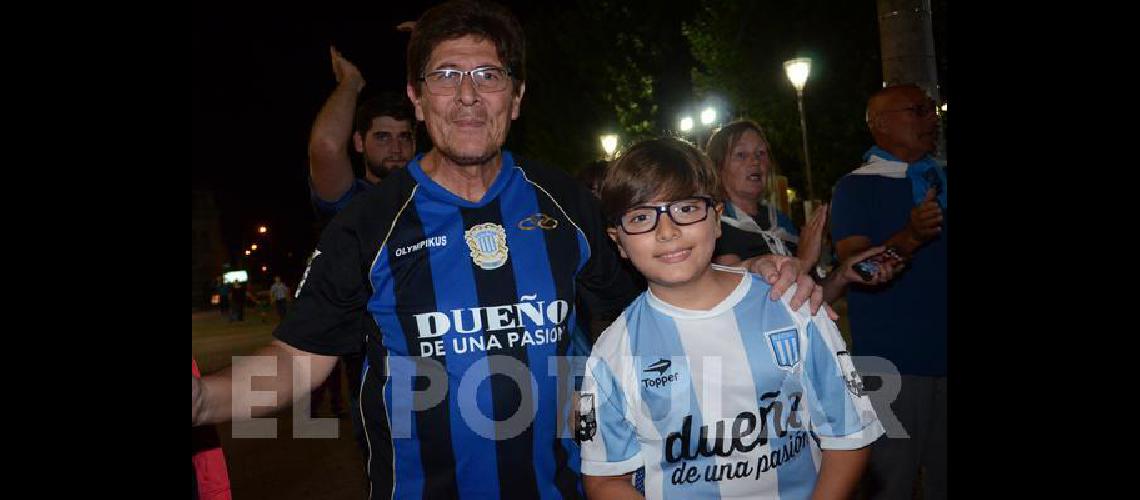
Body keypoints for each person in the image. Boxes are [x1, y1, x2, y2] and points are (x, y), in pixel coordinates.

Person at [193, 2, 819, 498]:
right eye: (445, 75)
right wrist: (205, 399)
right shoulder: (367, 222)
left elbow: (653, 297)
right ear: (417, 97)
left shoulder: (565, 201)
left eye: (488, 75)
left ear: (515, 98)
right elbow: (298, 361)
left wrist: (750, 273)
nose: (468, 95)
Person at [579, 137, 883, 499]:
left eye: (687, 209)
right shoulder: (612, 351)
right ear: (618, 242)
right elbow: (606, 479)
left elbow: (849, 435)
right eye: (642, 217)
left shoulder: (791, 305)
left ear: (717, 219)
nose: (667, 231)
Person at [830, 83, 946, 500]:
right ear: (880, 124)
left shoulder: (941, 178)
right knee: (890, 485)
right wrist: (912, 236)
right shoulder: (856, 188)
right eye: (918, 110)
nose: (932, 119)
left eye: (933, 109)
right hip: (891, 368)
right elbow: (858, 266)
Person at [707, 120, 898, 304]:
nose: (755, 161)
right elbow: (741, 303)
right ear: (717, 167)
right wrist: (804, 261)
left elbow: (810, 301)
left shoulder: (779, 222)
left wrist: (842, 275)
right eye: (741, 154)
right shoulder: (714, 226)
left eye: (761, 153)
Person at [308, 46, 417, 227]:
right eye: (383, 137)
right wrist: (351, 82)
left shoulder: (435, 191)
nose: (396, 148)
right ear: (359, 142)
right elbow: (325, 146)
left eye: (404, 137)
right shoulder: (351, 202)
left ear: (414, 143)